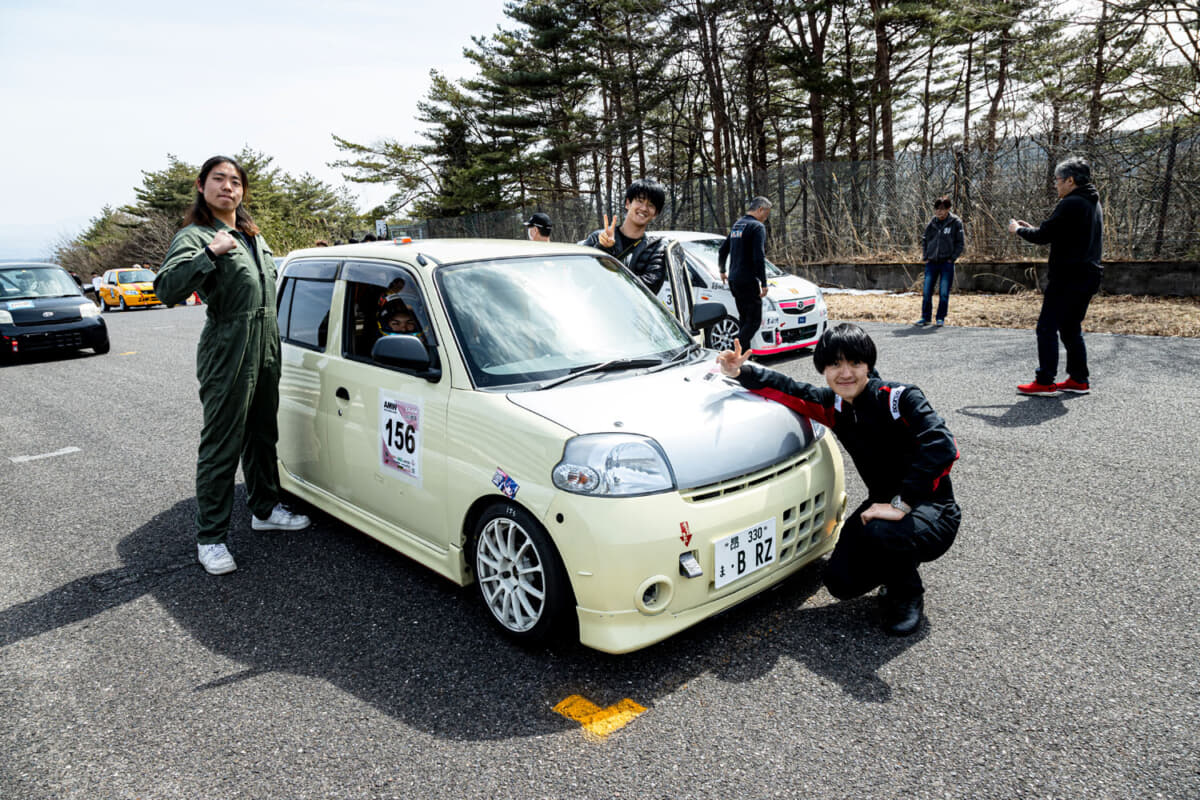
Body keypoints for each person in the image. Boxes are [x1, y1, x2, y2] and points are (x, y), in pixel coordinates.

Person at [716, 323, 961, 635]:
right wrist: (741, 372)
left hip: (932, 507)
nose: (845, 373)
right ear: (824, 369)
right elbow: (789, 388)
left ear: (868, 365)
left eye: (855, 363)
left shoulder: (900, 399)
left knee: (886, 532)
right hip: (881, 507)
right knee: (840, 583)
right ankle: (892, 566)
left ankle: (906, 594)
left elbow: (941, 446)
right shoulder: (833, 405)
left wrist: (903, 503)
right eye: (834, 364)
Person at [153, 155, 310, 576]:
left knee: (263, 434)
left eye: (236, 181)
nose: (228, 187)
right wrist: (208, 252)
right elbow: (166, 289)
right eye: (219, 179)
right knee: (222, 443)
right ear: (201, 186)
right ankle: (211, 538)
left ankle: (263, 509)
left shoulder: (252, 235)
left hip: (266, 345)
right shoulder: (196, 235)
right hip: (229, 348)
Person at [1007, 156, 1104, 396]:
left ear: (1070, 180)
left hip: (1068, 277)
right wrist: (1032, 229)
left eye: (1057, 180)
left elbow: (1043, 236)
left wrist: (1018, 230)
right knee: (1070, 327)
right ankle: (1079, 379)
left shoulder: (1071, 203)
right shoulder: (1091, 202)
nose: (1055, 184)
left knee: (1046, 327)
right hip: (1088, 275)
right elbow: (1056, 233)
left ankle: (1045, 380)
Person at [580, 178, 669, 294]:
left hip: (633, 311)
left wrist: (608, 282)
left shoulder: (656, 247)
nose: (644, 208)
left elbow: (650, 287)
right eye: (640, 201)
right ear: (628, 203)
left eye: (651, 205)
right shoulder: (597, 238)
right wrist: (603, 247)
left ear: (655, 214)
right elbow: (582, 277)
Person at [718, 196, 773, 351]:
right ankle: (734, 351)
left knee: (745, 320)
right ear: (760, 209)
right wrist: (763, 282)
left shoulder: (738, 225)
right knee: (754, 321)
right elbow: (758, 257)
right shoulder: (757, 227)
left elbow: (723, 249)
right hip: (748, 280)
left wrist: (722, 270)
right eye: (766, 214)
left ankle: (743, 358)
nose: (765, 218)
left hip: (734, 280)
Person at [916, 197, 965, 327]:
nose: (939, 212)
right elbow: (925, 240)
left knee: (943, 292)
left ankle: (940, 317)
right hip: (931, 262)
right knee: (926, 291)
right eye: (937, 209)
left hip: (946, 263)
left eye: (942, 209)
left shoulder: (955, 223)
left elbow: (960, 243)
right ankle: (925, 317)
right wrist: (926, 255)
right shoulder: (932, 223)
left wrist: (952, 258)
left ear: (948, 209)